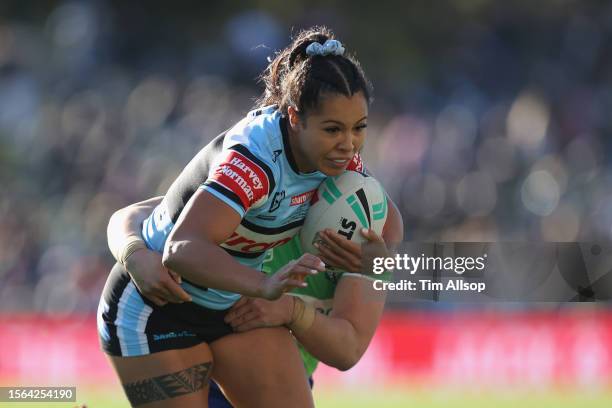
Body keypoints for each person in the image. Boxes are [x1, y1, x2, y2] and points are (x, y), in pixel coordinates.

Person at [98, 26, 400, 408]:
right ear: (294, 117)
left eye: (359, 129)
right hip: (157, 308)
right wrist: (264, 283)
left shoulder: (338, 161)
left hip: (232, 307)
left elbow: (389, 223)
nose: (349, 144)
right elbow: (180, 248)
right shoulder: (254, 162)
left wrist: (371, 259)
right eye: (333, 129)